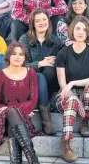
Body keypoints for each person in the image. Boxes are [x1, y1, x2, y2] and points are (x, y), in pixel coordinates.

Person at [0, 42, 43, 164]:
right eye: (14, 53)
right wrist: (14, 110)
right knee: (12, 113)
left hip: (21, 119)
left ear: (25, 57)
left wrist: (13, 110)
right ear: (8, 56)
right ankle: (32, 157)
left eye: (21, 54)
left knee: (13, 123)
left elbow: (33, 101)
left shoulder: (31, 73)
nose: (18, 57)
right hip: (3, 119)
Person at [54, 16, 89, 162]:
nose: (80, 32)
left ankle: (85, 121)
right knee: (71, 102)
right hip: (66, 95)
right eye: (77, 28)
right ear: (72, 31)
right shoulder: (63, 53)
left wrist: (73, 82)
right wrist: (73, 96)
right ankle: (66, 141)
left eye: (84, 29)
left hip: (87, 96)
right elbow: (63, 85)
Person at [19, 8, 61, 136]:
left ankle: (43, 104)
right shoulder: (25, 39)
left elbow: (59, 62)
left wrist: (54, 60)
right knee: (40, 76)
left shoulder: (55, 40)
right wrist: (39, 63)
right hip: (29, 78)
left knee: (48, 73)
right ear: (33, 23)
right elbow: (20, 65)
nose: (41, 23)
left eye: (44, 19)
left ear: (48, 21)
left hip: (49, 81)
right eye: (37, 21)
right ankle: (46, 119)